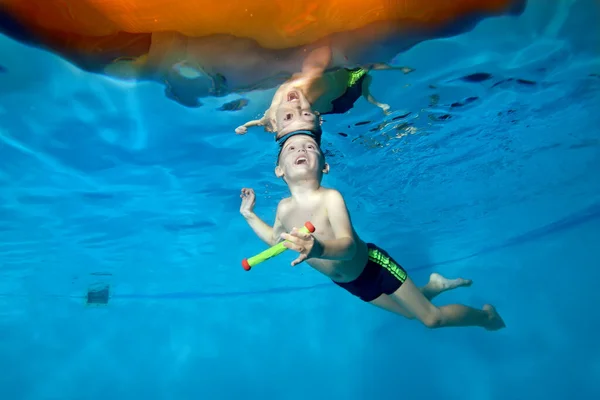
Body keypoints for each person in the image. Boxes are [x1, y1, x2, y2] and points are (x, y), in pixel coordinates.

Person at [239, 123, 506, 331]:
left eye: (310, 147)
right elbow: (276, 241)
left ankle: (485, 316)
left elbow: (348, 246)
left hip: (374, 267)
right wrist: (249, 215)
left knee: (430, 319)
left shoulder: (330, 198)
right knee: (411, 313)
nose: (301, 150)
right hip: (350, 283)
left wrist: (318, 247)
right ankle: (434, 285)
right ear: (279, 170)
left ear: (325, 165)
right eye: (292, 148)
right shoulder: (284, 209)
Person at [234, 46, 412, 137]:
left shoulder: (279, 108)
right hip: (342, 96)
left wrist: (254, 121)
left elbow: (262, 119)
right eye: (302, 113)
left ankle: (384, 98)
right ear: (313, 115)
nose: (294, 106)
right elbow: (324, 50)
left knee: (365, 74)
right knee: (364, 74)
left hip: (336, 96)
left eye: (288, 116)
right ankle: (384, 100)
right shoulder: (306, 84)